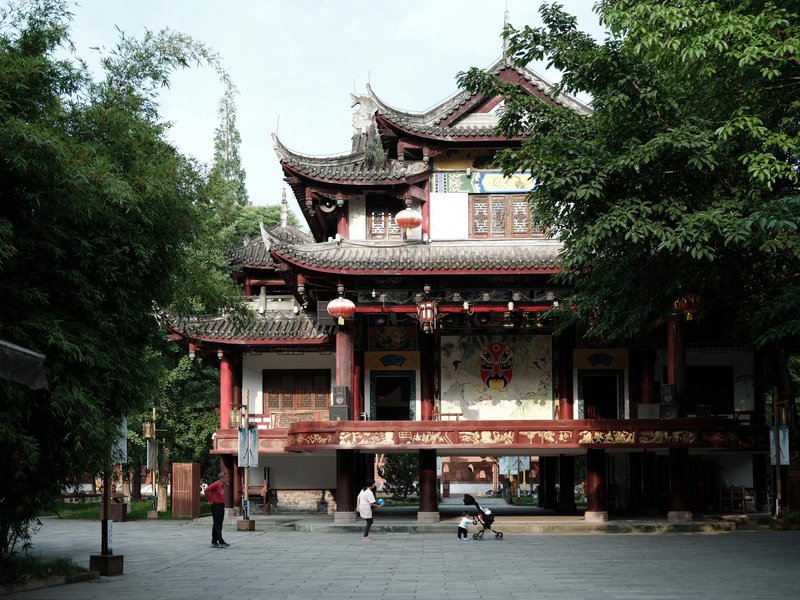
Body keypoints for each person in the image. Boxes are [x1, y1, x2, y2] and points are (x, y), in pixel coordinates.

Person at [204, 471, 230, 548]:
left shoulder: (222, 486)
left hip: (221, 505)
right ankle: (221, 541)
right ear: (221, 478)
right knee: (218, 524)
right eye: (226, 478)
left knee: (218, 523)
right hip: (216, 506)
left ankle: (214, 541)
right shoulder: (216, 484)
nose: (227, 479)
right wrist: (210, 500)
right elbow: (206, 490)